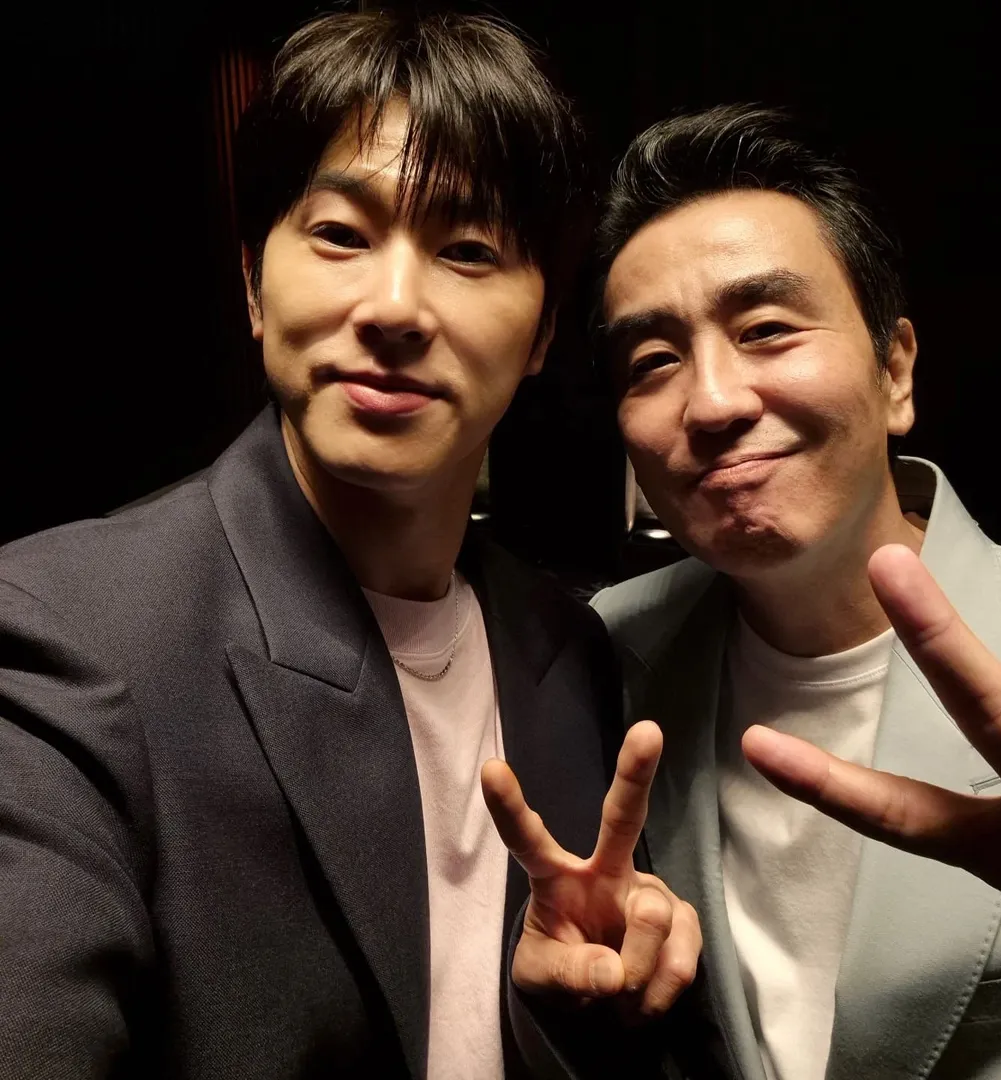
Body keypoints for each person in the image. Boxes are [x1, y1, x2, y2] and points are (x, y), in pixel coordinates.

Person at [0, 13, 699, 1079]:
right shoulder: (68, 629)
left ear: (544, 334)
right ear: (252, 282)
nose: (395, 307)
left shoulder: (565, 643)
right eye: (340, 234)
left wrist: (589, 1005)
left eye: (467, 251)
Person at [589, 105, 1001, 1079]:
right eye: (654, 361)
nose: (713, 402)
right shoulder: (602, 655)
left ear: (895, 371)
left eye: (767, 329)